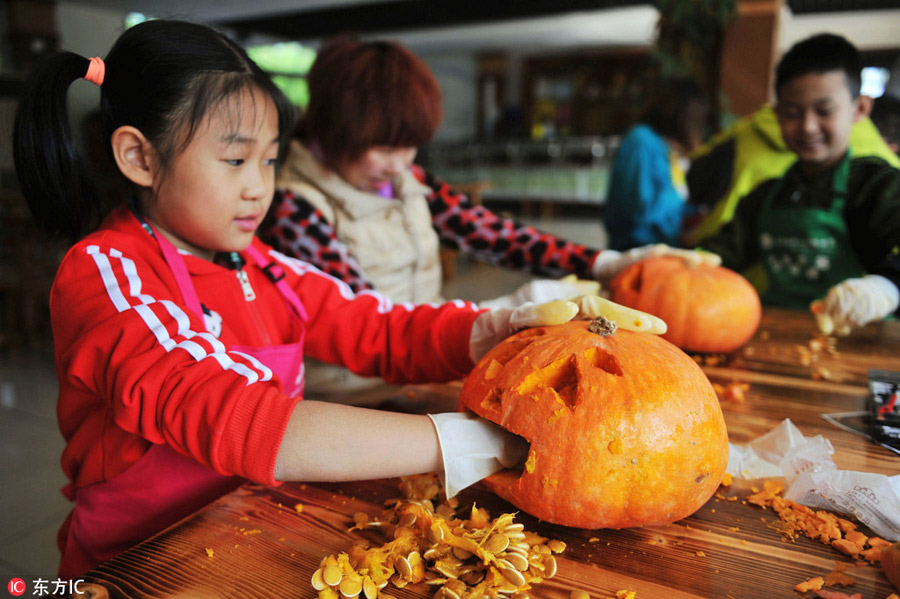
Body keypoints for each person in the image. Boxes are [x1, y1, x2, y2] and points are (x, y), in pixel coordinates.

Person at [12, 20, 667, 578]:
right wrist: (463, 439)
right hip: (142, 564)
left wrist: (500, 326)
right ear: (139, 157)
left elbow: (375, 327)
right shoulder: (107, 274)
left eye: (269, 160)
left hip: (249, 527)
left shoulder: (259, 264)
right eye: (235, 160)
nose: (259, 188)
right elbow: (237, 415)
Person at [259, 36, 712, 305]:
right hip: (351, 396)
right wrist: (497, 314)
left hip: (415, 370)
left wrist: (600, 262)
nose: (400, 163)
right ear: (334, 129)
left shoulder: (407, 182)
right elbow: (367, 319)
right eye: (383, 147)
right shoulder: (294, 208)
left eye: (410, 145)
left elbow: (493, 234)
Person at [699, 33, 900, 335]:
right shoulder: (766, 194)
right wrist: (684, 261)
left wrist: (885, 287)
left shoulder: (877, 186)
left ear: (859, 108)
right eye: (792, 113)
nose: (807, 127)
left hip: (862, 339)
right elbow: (722, 254)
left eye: (824, 111)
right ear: (777, 116)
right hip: (775, 335)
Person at [684, 104, 900, 247]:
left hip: (734, 275)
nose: (808, 129)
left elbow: (698, 185)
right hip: (733, 270)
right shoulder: (881, 160)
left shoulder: (747, 130)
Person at [603, 77, 710, 251]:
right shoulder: (641, 140)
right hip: (636, 250)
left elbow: (674, 203)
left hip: (664, 248)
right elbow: (639, 210)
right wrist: (681, 199)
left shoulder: (665, 147)